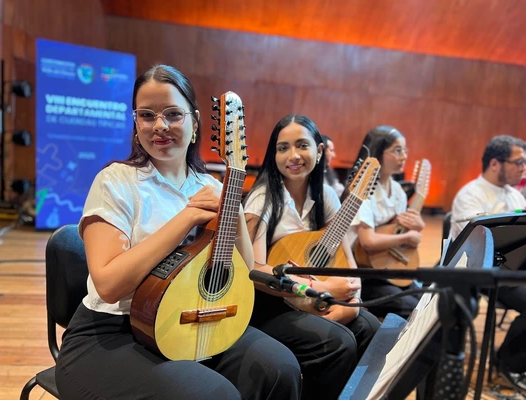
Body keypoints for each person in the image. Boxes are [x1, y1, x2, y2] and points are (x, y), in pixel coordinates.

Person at [54, 65, 301, 400]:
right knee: (212, 394)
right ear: (136, 123)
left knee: (279, 368)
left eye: (173, 114)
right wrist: (186, 218)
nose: (160, 125)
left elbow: (243, 274)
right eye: (147, 115)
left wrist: (235, 212)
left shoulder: (212, 186)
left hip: (189, 320)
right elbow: (109, 287)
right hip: (112, 333)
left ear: (195, 123)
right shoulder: (115, 181)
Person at [244, 114, 380, 400]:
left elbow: (346, 262)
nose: (293, 155)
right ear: (273, 154)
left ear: (319, 151)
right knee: (338, 342)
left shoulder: (326, 195)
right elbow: (255, 270)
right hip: (271, 304)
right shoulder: (262, 198)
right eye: (283, 148)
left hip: (316, 298)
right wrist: (323, 288)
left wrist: (353, 303)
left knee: (371, 328)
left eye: (302, 145)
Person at [451, 135, 526, 390]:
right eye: (518, 162)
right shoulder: (470, 195)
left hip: (512, 267)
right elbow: (476, 246)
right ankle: (508, 364)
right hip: (482, 271)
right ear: (495, 164)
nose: (523, 169)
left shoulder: (515, 196)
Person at [347, 125, 425, 319]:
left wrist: (417, 227)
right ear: (377, 152)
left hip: (388, 268)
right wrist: (407, 237)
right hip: (363, 274)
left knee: (428, 301)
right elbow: (368, 241)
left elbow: (396, 231)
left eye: (405, 150)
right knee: (412, 308)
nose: (404, 156)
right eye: (397, 150)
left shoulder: (398, 190)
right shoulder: (362, 189)